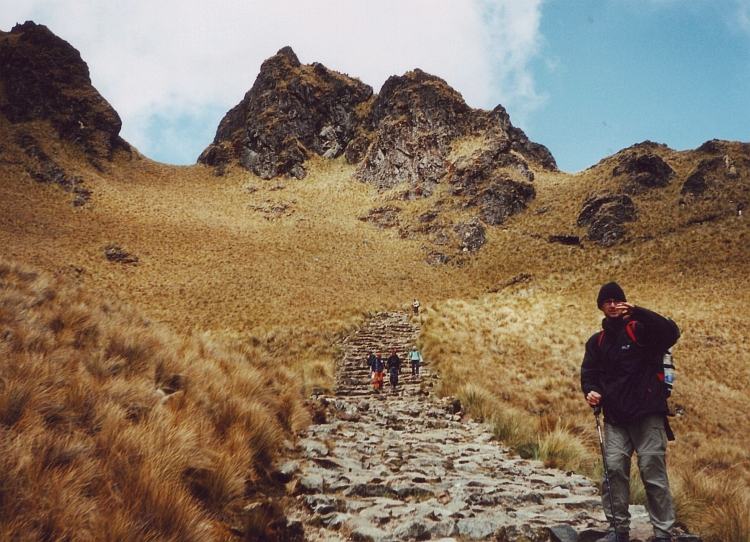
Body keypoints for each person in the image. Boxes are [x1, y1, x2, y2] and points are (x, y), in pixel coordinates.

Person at [581, 282, 680, 542]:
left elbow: (671, 332)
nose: (612, 305)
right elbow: (589, 374)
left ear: (625, 304)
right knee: (613, 470)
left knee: (652, 472)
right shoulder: (597, 342)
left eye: (617, 300)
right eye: (607, 301)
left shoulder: (641, 329)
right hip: (615, 417)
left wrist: (640, 312)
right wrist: (590, 391)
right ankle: (618, 530)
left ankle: (663, 534)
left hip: (648, 415)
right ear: (601, 306)